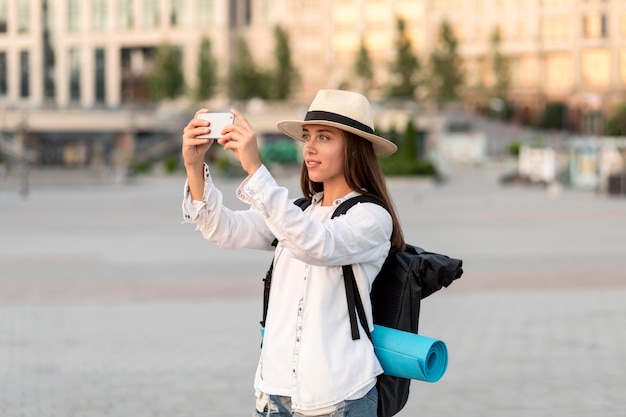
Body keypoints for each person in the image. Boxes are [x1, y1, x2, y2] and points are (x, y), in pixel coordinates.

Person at [181, 89, 405, 417]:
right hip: (274, 397)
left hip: (336, 399)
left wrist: (255, 169)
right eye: (307, 137)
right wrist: (194, 164)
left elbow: (316, 244)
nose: (309, 148)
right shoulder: (300, 211)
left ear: (355, 149)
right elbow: (224, 229)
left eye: (324, 138)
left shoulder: (371, 217)